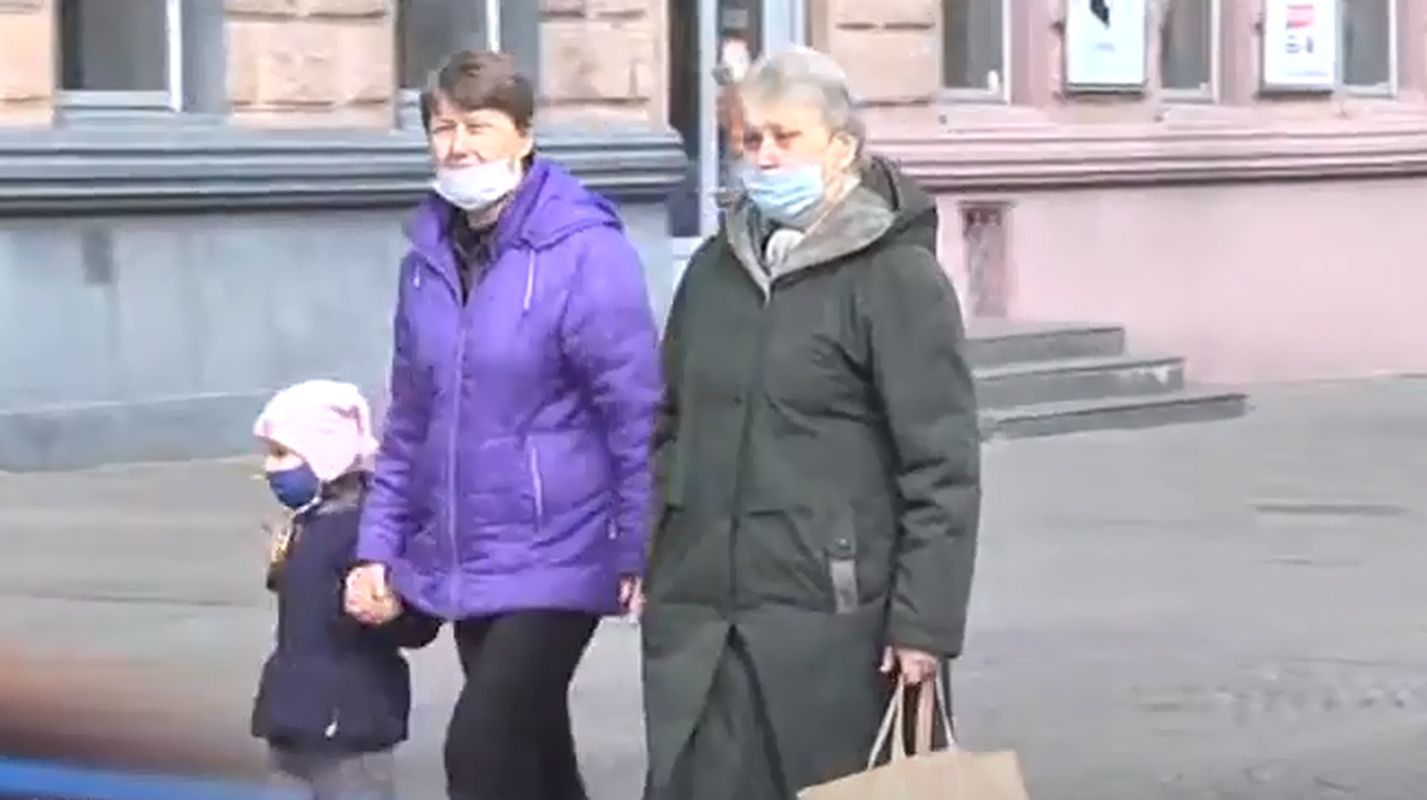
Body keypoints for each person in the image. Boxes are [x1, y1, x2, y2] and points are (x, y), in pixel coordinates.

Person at [640, 47, 983, 800]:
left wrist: (924, 624)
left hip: (834, 623)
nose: (764, 157)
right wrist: (650, 547)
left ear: (842, 147)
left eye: (785, 138)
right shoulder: (714, 270)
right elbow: (670, 422)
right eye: (749, 139)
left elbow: (942, 465)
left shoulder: (894, 277)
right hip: (703, 619)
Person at [342, 50, 661, 800]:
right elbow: (410, 420)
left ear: (524, 134)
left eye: (477, 126)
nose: (458, 146)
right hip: (472, 551)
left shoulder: (584, 250)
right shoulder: (427, 261)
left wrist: (641, 544)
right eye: (442, 127)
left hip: (563, 547)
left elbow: (635, 411)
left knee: (481, 753)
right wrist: (377, 546)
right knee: (536, 758)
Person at [249, 379, 441, 800]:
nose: (269, 468)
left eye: (281, 453)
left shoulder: (370, 532)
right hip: (291, 719)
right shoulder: (308, 523)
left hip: (350, 725)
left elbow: (420, 618)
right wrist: (281, 568)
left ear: (325, 455)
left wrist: (393, 610)